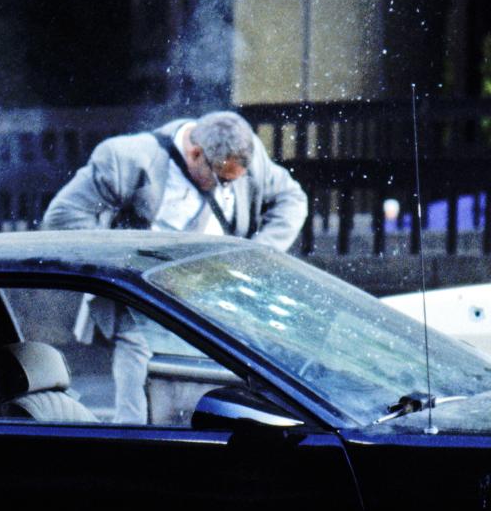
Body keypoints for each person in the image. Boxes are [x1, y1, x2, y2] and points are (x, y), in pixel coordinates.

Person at [41, 110, 308, 423]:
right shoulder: (127, 159)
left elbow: (292, 199)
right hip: (146, 300)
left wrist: (255, 255)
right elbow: (62, 217)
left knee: (222, 400)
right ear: (195, 154)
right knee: (137, 411)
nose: (226, 189)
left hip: (217, 297)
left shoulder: (248, 156)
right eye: (221, 179)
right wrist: (127, 265)